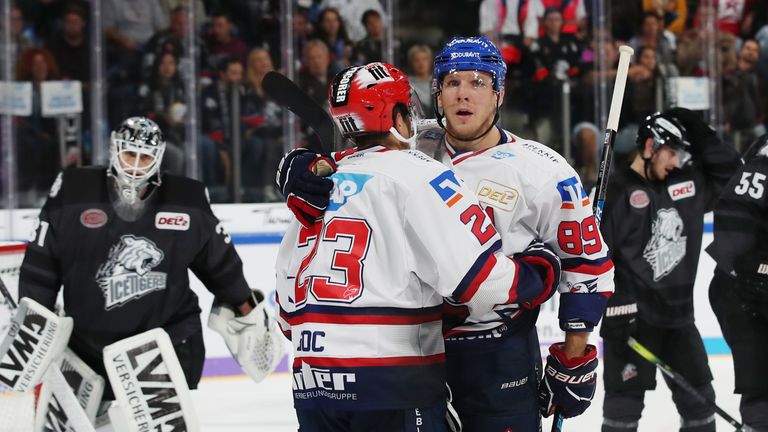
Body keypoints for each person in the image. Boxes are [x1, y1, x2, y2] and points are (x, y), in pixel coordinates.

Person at [277, 37, 614, 431]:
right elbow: (346, 159)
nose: (463, 94)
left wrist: (574, 354)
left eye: (477, 82)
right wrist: (298, 166)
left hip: (495, 353)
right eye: (452, 83)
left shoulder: (543, 170)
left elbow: (586, 266)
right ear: (437, 93)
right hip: (413, 350)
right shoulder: (407, 144)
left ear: (499, 94)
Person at [18, 116, 272, 404]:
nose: (135, 164)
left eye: (145, 156)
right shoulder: (73, 192)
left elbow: (221, 263)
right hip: (85, 350)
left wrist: (246, 307)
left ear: (158, 157)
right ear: (115, 150)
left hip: (164, 345)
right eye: (129, 154)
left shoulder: (185, 201)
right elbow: (40, 267)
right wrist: (35, 328)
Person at [599, 108, 741, 432]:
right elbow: (594, 260)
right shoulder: (617, 191)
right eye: (671, 153)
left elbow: (734, 176)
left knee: (700, 408)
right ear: (649, 146)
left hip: (679, 320)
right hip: (631, 322)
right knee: (621, 414)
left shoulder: (688, 185)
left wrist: (701, 132)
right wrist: (612, 303)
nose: (676, 162)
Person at [707, 134, 768, 430]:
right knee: (761, 386)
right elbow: (734, 226)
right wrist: (757, 271)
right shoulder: (763, 159)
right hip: (744, 291)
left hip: (749, 284)